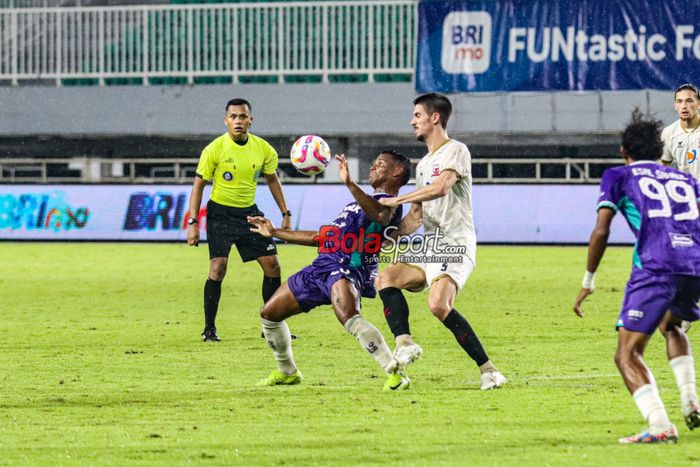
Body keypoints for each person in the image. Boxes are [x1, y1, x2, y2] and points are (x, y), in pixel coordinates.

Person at [573, 109, 700, 444]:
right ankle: (690, 399)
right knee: (670, 325)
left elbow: (601, 231)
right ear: (661, 152)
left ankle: (660, 425)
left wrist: (588, 279)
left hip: (656, 265)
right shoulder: (687, 180)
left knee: (626, 353)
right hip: (695, 265)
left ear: (623, 152)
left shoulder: (618, 176)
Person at [248, 151, 413, 390]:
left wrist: (349, 182)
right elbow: (320, 237)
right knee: (269, 314)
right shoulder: (355, 205)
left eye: (380, 164)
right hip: (321, 267)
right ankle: (287, 372)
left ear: (397, 172)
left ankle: (395, 372)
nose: (373, 167)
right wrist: (275, 233)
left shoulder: (390, 203)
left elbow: (380, 215)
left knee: (349, 317)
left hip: (348, 268)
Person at [374, 93, 506, 390]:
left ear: (435, 118)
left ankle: (489, 371)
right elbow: (416, 218)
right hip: (430, 245)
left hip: (455, 242)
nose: (412, 121)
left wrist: (397, 198)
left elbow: (442, 187)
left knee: (438, 305)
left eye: (417, 115)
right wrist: (390, 238)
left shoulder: (456, 150)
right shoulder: (422, 165)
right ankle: (404, 342)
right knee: (387, 277)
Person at [187, 98, 292, 342]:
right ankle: (209, 329)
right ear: (226, 121)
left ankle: (272, 327)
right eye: (233, 117)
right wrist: (193, 223)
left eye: (242, 117)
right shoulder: (214, 149)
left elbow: (272, 179)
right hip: (220, 215)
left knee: (273, 266)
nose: (238, 121)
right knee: (218, 268)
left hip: (249, 214)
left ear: (250, 120)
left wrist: (286, 213)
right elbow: (199, 185)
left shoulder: (264, 149)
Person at [661, 83, 700, 181]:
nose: (684, 106)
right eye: (679, 101)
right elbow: (665, 165)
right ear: (675, 105)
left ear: (698, 104)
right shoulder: (668, 133)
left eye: (689, 101)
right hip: (687, 194)